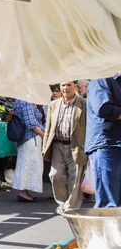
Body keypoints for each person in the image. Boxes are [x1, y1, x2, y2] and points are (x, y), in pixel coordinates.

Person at [42, 81, 87, 214]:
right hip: (58, 144)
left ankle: (71, 205)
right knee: (55, 175)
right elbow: (49, 127)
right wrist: (45, 147)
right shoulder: (54, 104)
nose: (65, 88)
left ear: (75, 86)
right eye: (63, 85)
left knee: (75, 176)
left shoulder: (83, 104)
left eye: (68, 85)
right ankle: (62, 202)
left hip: (76, 145)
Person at [85, 72, 121, 208]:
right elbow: (103, 109)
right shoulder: (102, 78)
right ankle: (105, 229)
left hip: (116, 144)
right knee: (109, 203)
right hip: (107, 145)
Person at [12, 98, 45, 202]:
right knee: (29, 164)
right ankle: (23, 192)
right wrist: (43, 134)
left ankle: (24, 191)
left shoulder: (19, 101)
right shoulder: (27, 101)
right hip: (31, 138)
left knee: (25, 164)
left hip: (24, 139)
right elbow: (31, 123)